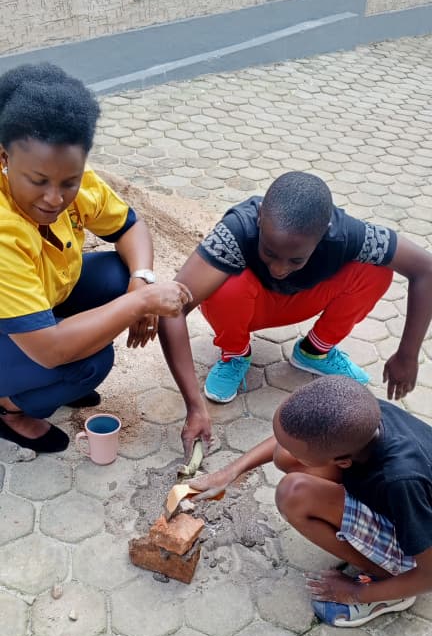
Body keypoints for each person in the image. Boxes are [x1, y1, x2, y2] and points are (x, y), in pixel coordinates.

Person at [158, 171, 432, 457]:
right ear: (261, 217)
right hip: (248, 306)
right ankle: (235, 354)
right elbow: (171, 309)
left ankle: (315, 352)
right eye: (270, 252)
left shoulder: (348, 233)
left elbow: (425, 269)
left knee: (377, 270)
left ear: (324, 232)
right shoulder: (235, 230)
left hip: (300, 301)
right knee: (225, 285)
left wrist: (407, 354)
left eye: (296, 258)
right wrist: (193, 404)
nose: (278, 268)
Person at [0, 63, 190, 453]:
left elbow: (131, 229)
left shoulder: (72, 175)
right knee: (90, 361)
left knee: (118, 273)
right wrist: (141, 302)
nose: (55, 198)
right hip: (21, 332)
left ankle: (39, 380)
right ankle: (9, 409)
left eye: (68, 181)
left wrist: (141, 279)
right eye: (38, 182)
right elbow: (50, 348)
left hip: (37, 303)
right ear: (4, 157)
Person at [190, 375, 432, 627]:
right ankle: (383, 565)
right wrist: (229, 472)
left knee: (293, 495)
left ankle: (390, 584)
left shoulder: (402, 482)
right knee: (284, 456)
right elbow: (290, 439)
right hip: (402, 500)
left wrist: (356, 592)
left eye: (299, 452)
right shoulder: (365, 416)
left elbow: (430, 576)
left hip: (422, 551)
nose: (289, 453)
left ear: (342, 462)